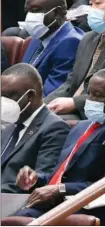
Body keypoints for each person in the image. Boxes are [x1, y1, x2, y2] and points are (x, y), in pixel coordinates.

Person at [13, 68, 105, 219]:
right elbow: (62, 173)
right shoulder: (81, 126)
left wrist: (60, 189)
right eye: (88, 93)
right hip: (53, 202)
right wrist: (37, 179)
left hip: (84, 206)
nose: (89, 100)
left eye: (97, 95)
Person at [1, 64, 69, 194]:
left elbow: (43, 180)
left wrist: (30, 178)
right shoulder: (9, 126)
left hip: (17, 202)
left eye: (8, 96)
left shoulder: (54, 128)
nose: (3, 102)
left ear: (30, 96)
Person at [17, 0, 84, 96]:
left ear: (57, 13)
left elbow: (51, 93)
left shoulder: (71, 42)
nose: (29, 17)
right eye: (27, 11)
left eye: (35, 10)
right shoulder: (39, 35)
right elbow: (20, 78)